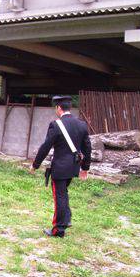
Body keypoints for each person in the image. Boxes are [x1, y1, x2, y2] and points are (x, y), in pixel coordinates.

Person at [30, 96, 91, 238]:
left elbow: (45, 147)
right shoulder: (81, 125)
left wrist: (35, 164)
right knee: (63, 193)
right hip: (73, 167)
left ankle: (58, 229)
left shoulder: (56, 125)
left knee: (59, 196)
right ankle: (66, 219)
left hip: (60, 168)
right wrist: (85, 168)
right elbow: (87, 148)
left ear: (58, 108)